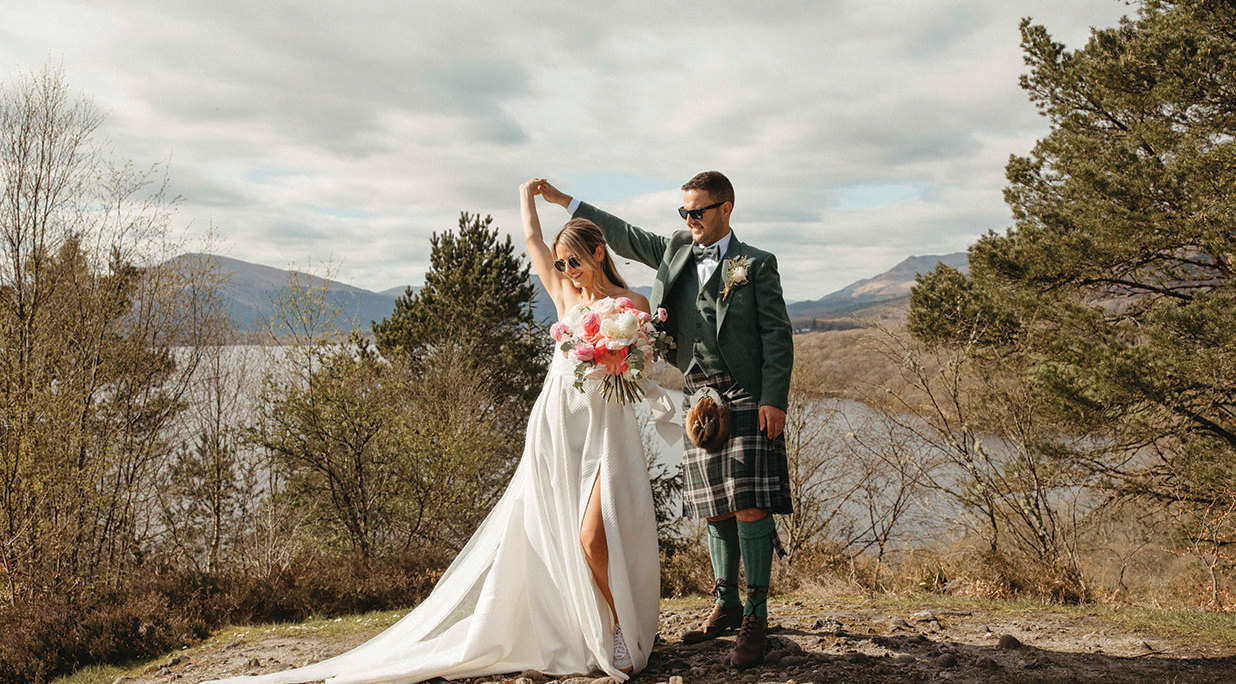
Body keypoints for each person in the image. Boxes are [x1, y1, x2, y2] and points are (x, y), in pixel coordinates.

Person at [203, 179, 663, 684]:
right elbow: (531, 239)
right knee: (557, 533)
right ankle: (583, 627)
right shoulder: (562, 298)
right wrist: (527, 197)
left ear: (598, 252)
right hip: (557, 426)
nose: (568, 272)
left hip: (607, 430)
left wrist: (619, 357)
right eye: (562, 265)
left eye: (575, 260)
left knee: (596, 534)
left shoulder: (633, 305)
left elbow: (645, 369)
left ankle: (623, 628)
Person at [538, 171, 793, 669]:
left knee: (749, 505)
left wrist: (774, 399)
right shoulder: (676, 249)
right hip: (696, 394)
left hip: (744, 392)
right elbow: (623, 233)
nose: (690, 219)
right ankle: (726, 603)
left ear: (726, 208)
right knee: (715, 507)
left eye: (698, 211)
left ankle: (756, 618)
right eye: (685, 212)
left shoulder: (757, 264)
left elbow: (777, 334)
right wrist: (563, 200)